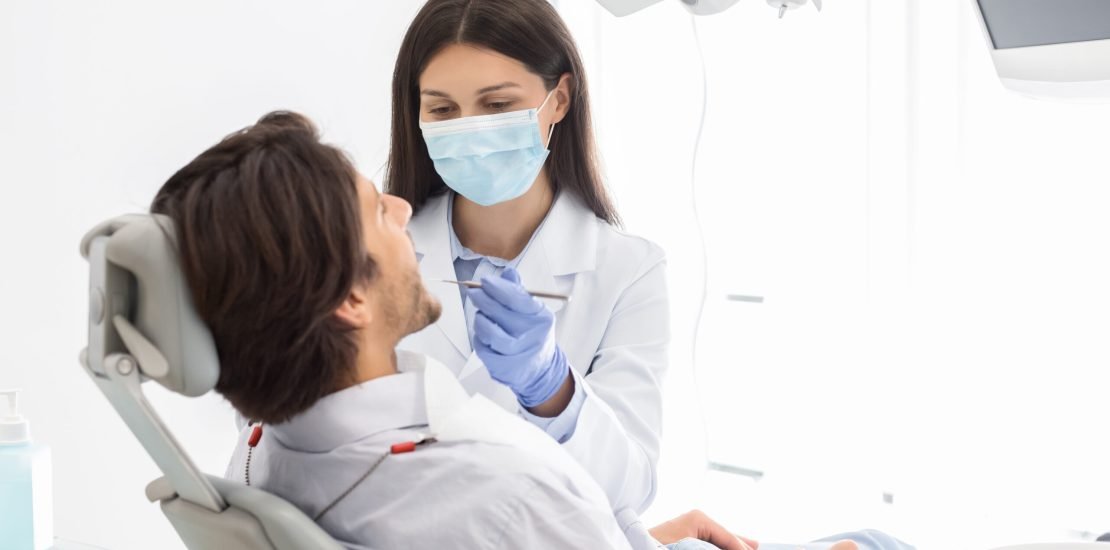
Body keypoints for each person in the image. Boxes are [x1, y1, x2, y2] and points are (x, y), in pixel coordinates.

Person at [148, 111, 764, 550]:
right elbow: (517, 518)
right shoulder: (508, 491)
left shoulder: (263, 452)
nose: (403, 209)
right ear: (351, 299)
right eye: (375, 210)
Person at [387, 0, 668, 520]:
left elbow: (629, 490)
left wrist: (552, 390)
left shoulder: (628, 271)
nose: (469, 128)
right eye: (443, 110)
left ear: (558, 99)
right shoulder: (375, 255)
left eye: (496, 106)